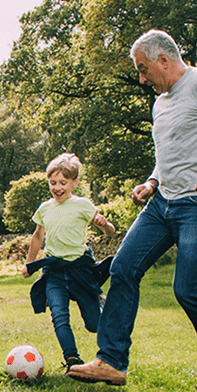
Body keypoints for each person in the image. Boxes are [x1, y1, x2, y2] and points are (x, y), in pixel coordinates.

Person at [68, 29, 197, 389]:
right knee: (123, 268)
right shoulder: (161, 102)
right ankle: (111, 361)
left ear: (164, 60)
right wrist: (152, 181)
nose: (142, 78)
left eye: (143, 69)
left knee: (188, 288)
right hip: (163, 203)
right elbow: (169, 152)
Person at [21, 153, 116, 371]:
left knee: (94, 325)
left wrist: (104, 224)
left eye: (63, 183)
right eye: (52, 183)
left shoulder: (82, 205)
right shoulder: (45, 208)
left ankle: (110, 343)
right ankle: (73, 360)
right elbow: (37, 236)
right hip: (54, 271)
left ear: (74, 182)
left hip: (79, 271)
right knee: (59, 316)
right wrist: (29, 262)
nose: (57, 187)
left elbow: (110, 232)